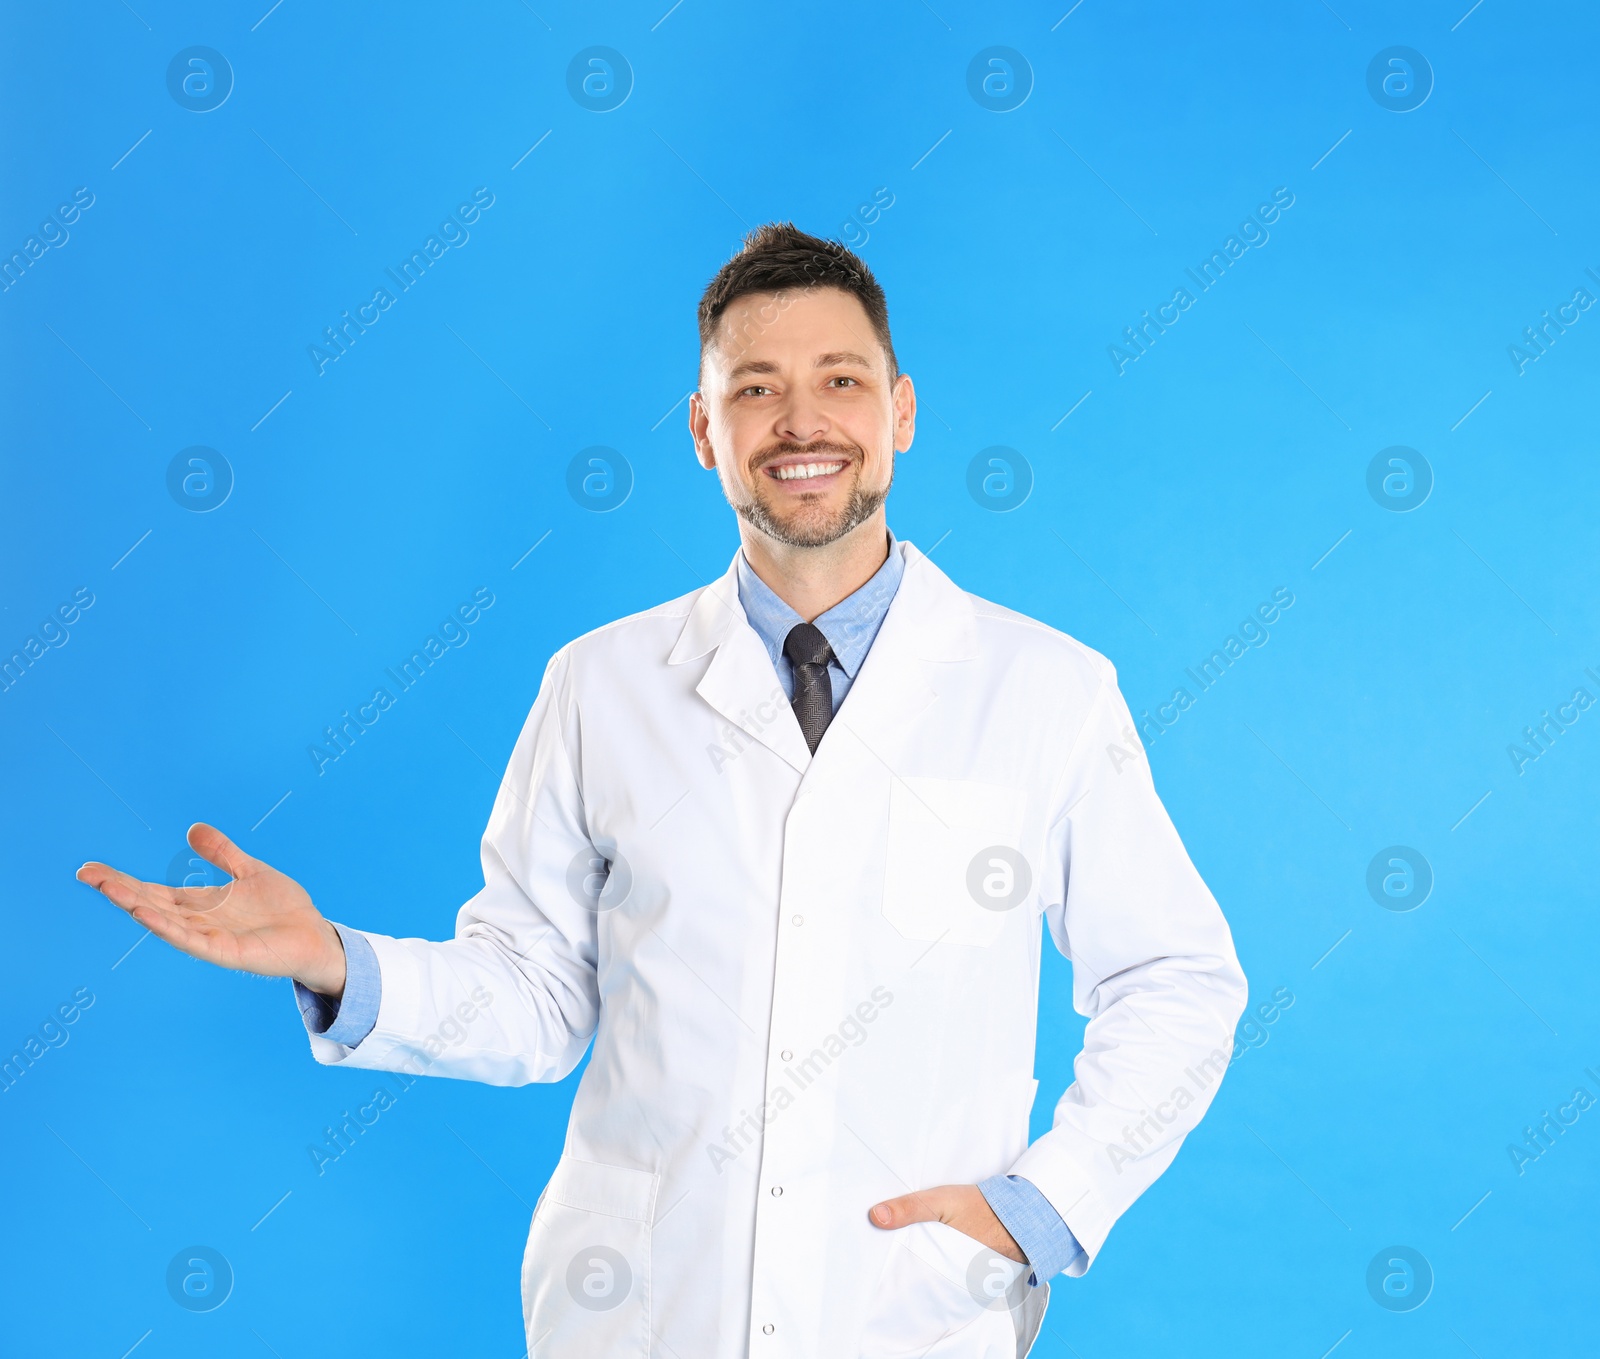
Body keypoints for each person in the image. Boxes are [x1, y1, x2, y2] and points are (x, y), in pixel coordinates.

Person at [77, 223, 1246, 1358]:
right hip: (639, 1311)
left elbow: (1175, 977)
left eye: (839, 380)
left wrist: (1045, 1203)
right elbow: (536, 997)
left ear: (898, 411)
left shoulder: (1045, 689)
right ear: (702, 428)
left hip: (906, 1314)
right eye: (753, 388)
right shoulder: (599, 684)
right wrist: (337, 957)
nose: (800, 422)